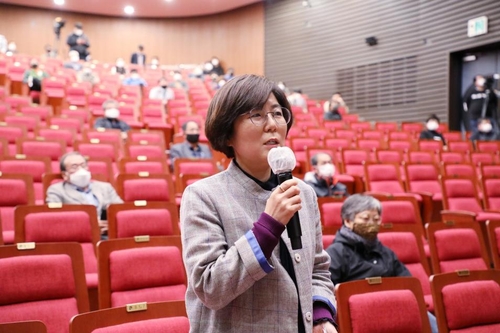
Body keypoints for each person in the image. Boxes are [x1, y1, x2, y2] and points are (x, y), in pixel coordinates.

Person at [181, 74, 338, 333]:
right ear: (227, 134)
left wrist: (321, 315)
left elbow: (317, 268)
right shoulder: (203, 195)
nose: (272, 125)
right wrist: (268, 227)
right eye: (257, 115)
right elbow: (209, 288)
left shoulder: (304, 193)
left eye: (277, 114)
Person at [326, 194, 438, 333]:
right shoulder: (336, 252)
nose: (372, 224)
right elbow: (329, 294)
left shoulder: (385, 252)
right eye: (366, 219)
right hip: (361, 319)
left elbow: (408, 284)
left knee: (425, 317)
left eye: (376, 219)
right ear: (348, 221)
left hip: (394, 310)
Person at [46, 152, 123, 235]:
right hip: (78, 236)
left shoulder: (105, 187)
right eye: (74, 167)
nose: (81, 170)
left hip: (108, 235)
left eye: (83, 165)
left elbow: (121, 211)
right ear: (64, 174)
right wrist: (89, 226)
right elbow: (55, 219)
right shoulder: (56, 190)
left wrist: (112, 226)